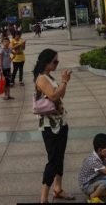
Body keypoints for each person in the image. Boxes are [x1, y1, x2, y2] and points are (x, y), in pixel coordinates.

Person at [34, 48, 73, 202]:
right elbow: (54, 95)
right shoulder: (42, 79)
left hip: (60, 122)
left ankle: (58, 188)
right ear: (46, 62)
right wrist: (63, 81)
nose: (57, 64)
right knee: (53, 160)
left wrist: (64, 82)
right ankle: (43, 198)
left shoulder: (49, 77)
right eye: (55, 61)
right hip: (50, 126)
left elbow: (60, 95)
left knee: (60, 157)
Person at [78, 133, 106, 203]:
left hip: (94, 178)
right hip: (86, 185)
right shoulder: (93, 161)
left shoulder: (101, 156)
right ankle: (92, 196)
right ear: (100, 150)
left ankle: (101, 192)